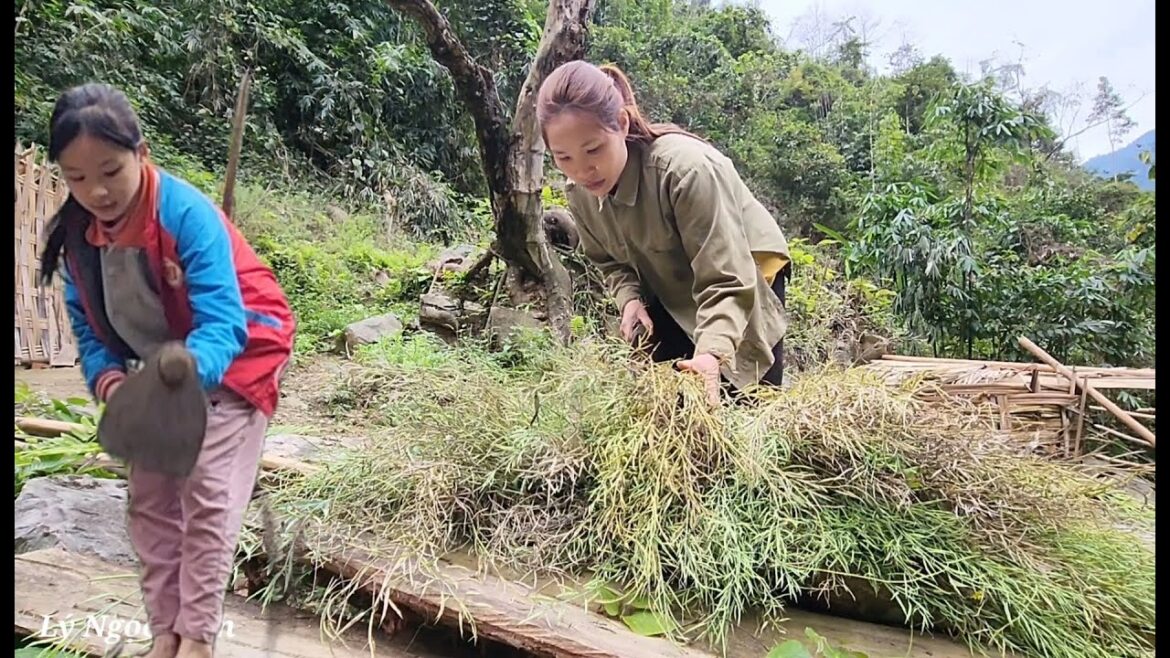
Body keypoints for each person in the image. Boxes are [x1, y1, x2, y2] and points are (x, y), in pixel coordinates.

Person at [37, 82, 296, 658]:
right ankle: (164, 635)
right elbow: (91, 337)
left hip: (238, 354)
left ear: (142, 154)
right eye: (76, 178)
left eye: (110, 170)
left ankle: (198, 641)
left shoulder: (185, 213)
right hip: (161, 372)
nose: (96, 191)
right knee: (150, 498)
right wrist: (115, 387)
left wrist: (180, 375)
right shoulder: (80, 245)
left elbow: (226, 322)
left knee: (204, 491)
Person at [536, 60, 792, 404]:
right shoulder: (580, 191)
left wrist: (711, 355)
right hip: (668, 270)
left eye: (594, 149)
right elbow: (610, 262)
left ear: (622, 124)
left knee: (746, 393)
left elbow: (727, 277)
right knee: (669, 397)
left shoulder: (686, 172)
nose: (583, 170)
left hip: (744, 266)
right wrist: (629, 300)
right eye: (563, 157)